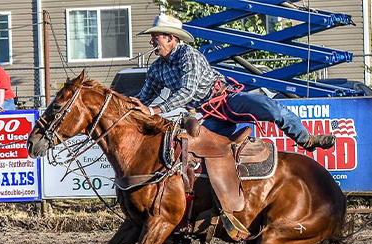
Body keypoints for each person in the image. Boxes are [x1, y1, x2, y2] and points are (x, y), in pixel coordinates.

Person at [130, 14, 335, 151]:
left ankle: (307, 139)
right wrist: (131, 105)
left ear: (170, 38)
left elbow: (187, 91)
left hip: (227, 100)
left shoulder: (188, 55)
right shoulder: (157, 68)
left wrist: (155, 110)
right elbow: (144, 97)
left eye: (155, 37)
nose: (151, 42)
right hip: (209, 114)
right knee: (196, 148)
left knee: (272, 108)